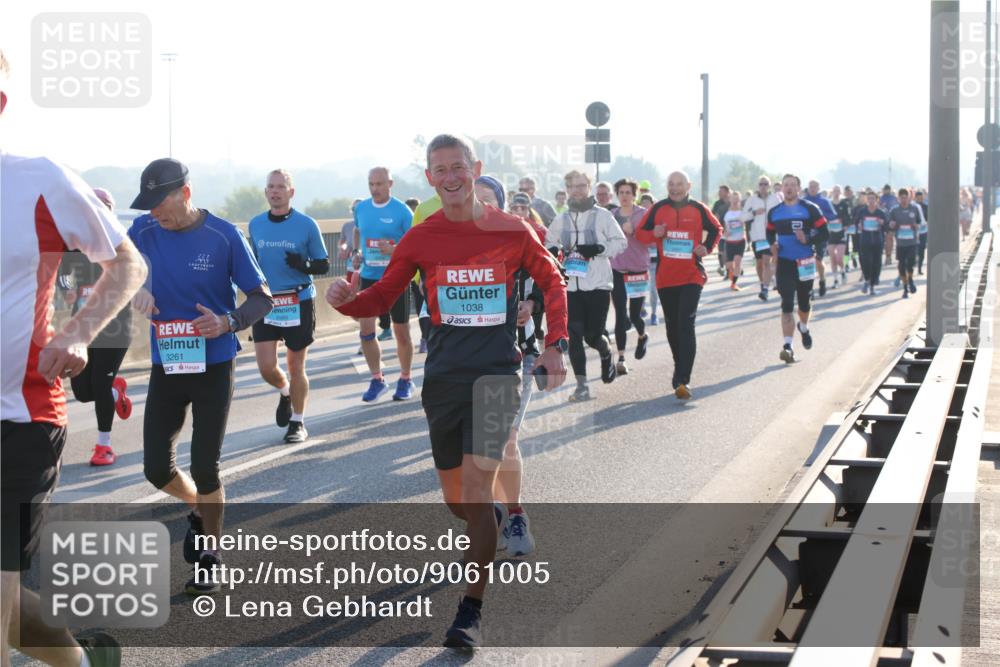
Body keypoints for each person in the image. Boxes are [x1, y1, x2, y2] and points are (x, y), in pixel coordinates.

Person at [327, 134, 568, 649]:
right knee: (460, 503)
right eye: (441, 170)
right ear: (430, 178)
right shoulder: (422, 235)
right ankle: (495, 520)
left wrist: (556, 344)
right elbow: (383, 295)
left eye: (459, 166)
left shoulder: (512, 228)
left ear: (474, 169)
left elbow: (553, 280)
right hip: (444, 378)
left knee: (478, 494)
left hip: (499, 374)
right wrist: (346, 302)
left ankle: (469, 612)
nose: (451, 176)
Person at [2, 49, 146, 666]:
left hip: (20, 417)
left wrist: (81, 332)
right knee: (9, 612)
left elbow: (128, 264)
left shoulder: (38, 179)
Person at [128, 158, 273, 596]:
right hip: (167, 364)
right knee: (156, 468)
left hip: (214, 364)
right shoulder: (142, 232)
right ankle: (198, 508)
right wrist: (134, 287)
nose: (155, 212)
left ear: (185, 193)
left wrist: (228, 322)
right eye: (148, 204)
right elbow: (115, 269)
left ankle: (211, 554)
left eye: (161, 202)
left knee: (205, 465)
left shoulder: (223, 235)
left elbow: (261, 298)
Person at [248, 169, 329, 443]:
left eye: (280, 187)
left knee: (296, 365)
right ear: (266, 192)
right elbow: (253, 264)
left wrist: (302, 265)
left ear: (291, 192)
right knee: (266, 366)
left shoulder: (307, 224)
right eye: (270, 186)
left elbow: (323, 264)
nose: (275, 191)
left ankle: (298, 422)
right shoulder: (256, 224)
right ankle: (285, 391)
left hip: (298, 299)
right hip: (267, 301)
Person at [56, 187, 135, 466]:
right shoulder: (75, 243)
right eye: (93, 205)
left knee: (99, 383)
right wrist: (67, 290)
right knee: (81, 391)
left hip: (116, 326)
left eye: (104, 205)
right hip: (84, 327)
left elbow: (139, 273)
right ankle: (115, 391)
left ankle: (104, 446)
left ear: (112, 211)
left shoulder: (123, 243)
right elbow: (62, 274)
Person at [635, 171, 722, 399]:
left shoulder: (698, 208)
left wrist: (706, 247)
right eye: (671, 184)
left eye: (679, 184)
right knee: (672, 327)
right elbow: (641, 234)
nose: (674, 188)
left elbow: (716, 230)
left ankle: (684, 379)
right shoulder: (658, 208)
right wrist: (654, 233)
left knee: (686, 322)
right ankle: (678, 366)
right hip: (666, 277)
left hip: (692, 275)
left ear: (688, 185)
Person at [547, 170, 627, 402]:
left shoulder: (602, 216)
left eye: (582, 185)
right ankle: (582, 386)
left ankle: (605, 351)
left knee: (593, 336)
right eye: (573, 186)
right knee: (573, 334)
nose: (577, 190)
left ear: (589, 187)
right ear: (567, 189)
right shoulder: (561, 219)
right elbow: (549, 242)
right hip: (571, 286)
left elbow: (621, 242)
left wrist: (600, 249)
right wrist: (554, 254)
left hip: (599, 285)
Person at [351, 167, 415, 402]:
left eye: (379, 184)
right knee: (366, 330)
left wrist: (395, 249)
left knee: (401, 332)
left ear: (390, 183)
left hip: (395, 278)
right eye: (371, 184)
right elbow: (358, 230)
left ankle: (406, 378)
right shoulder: (362, 208)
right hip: (369, 276)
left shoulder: (402, 211)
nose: (375, 189)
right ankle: (377, 379)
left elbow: (415, 244)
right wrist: (357, 252)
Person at [766, 174, 828, 364]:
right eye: (786, 185)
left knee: (803, 303)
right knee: (786, 303)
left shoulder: (810, 209)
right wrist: (772, 245)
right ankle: (788, 346)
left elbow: (825, 232)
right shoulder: (775, 212)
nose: (789, 188)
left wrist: (808, 239)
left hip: (805, 262)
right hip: (785, 261)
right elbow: (770, 232)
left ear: (799, 189)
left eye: (793, 185)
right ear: (782, 189)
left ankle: (804, 326)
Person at [609, 178, 651, 375]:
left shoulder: (643, 215)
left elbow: (650, 239)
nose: (624, 196)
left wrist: (633, 232)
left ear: (635, 195)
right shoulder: (612, 215)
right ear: (617, 195)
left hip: (638, 270)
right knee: (620, 315)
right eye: (621, 192)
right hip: (617, 269)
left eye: (628, 192)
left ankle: (642, 335)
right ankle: (621, 358)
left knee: (635, 315)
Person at [741, 176, 780, 301]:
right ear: (758, 186)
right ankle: (764, 284)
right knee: (759, 264)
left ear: (769, 186)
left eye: (766, 184)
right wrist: (753, 213)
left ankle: (765, 289)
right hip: (757, 237)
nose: (763, 186)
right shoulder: (752, 200)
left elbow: (782, 212)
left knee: (766, 261)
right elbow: (742, 217)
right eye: (761, 184)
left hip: (771, 235)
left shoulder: (775, 198)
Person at [804, 180, 838, 295]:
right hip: (807, 234)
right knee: (807, 262)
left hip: (821, 234)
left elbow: (834, 215)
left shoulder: (824, 201)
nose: (812, 189)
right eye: (810, 187)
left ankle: (822, 280)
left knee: (818, 260)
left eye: (814, 187)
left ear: (818, 188)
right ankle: (809, 288)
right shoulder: (803, 201)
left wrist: (821, 215)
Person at [854, 189, 890, 296]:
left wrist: (883, 223)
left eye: (873, 198)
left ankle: (872, 285)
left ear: (877, 200)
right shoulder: (862, 211)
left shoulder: (881, 212)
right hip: (865, 239)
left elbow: (887, 227)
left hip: (877, 240)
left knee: (876, 262)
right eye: (869, 198)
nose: (871, 200)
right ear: (866, 200)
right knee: (866, 262)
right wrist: (859, 226)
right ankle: (867, 280)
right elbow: (855, 222)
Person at [888, 188, 921, 298]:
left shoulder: (914, 209)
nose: (903, 200)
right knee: (901, 266)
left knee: (910, 264)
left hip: (912, 242)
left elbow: (920, 223)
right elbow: (890, 224)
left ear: (908, 198)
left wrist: (917, 226)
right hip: (901, 243)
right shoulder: (894, 210)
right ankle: (905, 287)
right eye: (901, 198)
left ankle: (910, 279)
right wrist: (892, 225)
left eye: (905, 197)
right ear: (898, 198)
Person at [639, 192, 661, 323]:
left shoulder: (657, 218)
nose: (645, 205)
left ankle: (653, 314)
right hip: (640, 260)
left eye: (648, 203)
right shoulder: (637, 219)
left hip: (654, 260)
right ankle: (641, 308)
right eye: (643, 203)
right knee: (640, 288)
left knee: (653, 289)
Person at [722, 190, 747, 291]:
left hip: (740, 240)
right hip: (729, 241)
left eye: (737, 199)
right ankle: (733, 275)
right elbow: (723, 227)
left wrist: (742, 225)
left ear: (739, 200)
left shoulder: (742, 212)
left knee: (737, 261)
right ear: (730, 199)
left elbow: (747, 224)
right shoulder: (726, 212)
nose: (735, 201)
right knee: (729, 265)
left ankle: (734, 283)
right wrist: (725, 233)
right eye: (733, 198)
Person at [711, 185, 731, 277]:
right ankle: (722, 267)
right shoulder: (717, 204)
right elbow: (713, 216)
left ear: (727, 192)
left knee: (729, 251)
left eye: (721, 191)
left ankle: (730, 269)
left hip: (732, 232)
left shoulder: (732, 202)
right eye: (719, 192)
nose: (719, 193)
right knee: (721, 251)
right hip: (721, 231)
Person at [880, 184, 899, 268]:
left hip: (889, 221)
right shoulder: (885, 198)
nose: (886, 191)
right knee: (890, 240)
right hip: (889, 221)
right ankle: (889, 257)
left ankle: (889, 257)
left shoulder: (885, 198)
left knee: (889, 239)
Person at [914, 189, 929, 274]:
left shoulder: (926, 207)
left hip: (923, 231)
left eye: (921, 198)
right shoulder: (912, 207)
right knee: (915, 249)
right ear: (915, 198)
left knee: (922, 250)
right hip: (914, 232)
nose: (920, 199)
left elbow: (928, 218)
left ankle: (919, 268)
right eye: (918, 198)